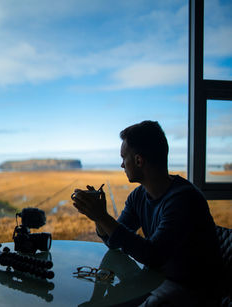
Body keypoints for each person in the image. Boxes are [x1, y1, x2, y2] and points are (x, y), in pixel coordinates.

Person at [72, 120, 223, 306]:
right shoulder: (139, 196)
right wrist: (98, 218)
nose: (121, 165)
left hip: (195, 290)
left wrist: (102, 217)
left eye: (123, 158)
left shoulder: (183, 200)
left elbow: (153, 255)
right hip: (158, 280)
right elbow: (114, 241)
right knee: (115, 299)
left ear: (138, 160)